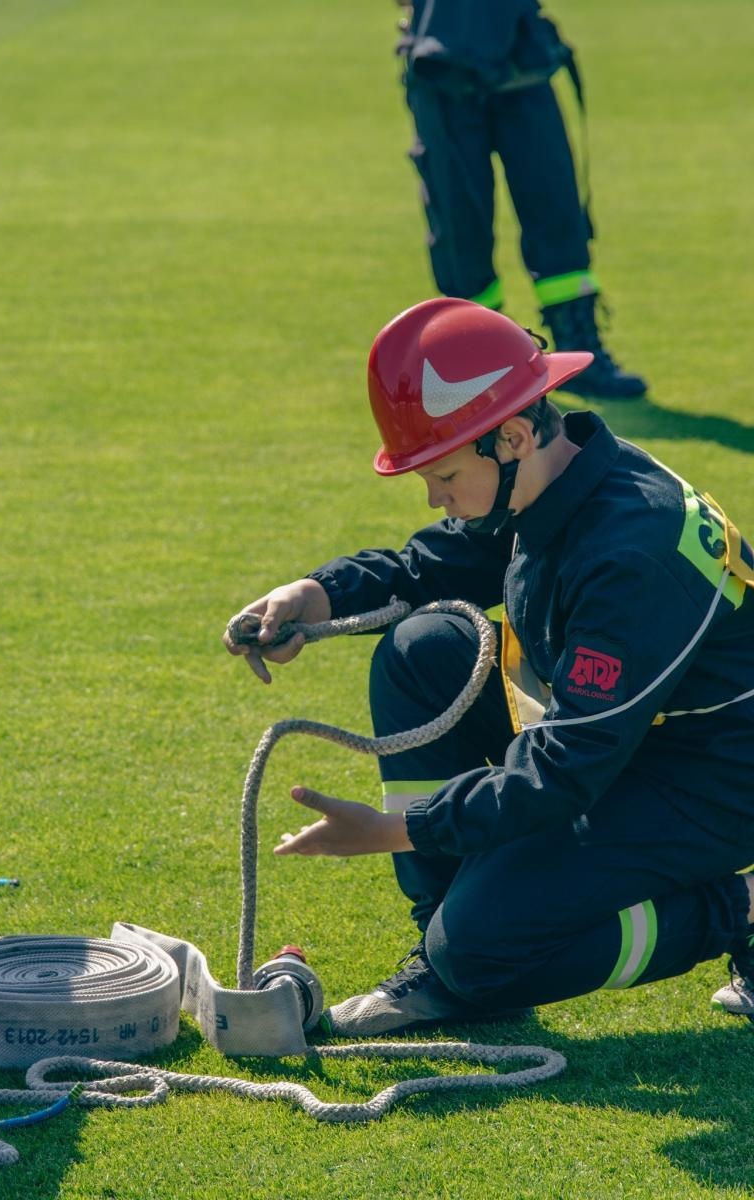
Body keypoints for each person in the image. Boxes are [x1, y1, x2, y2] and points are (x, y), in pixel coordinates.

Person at [224, 298, 754, 1037]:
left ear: (509, 437)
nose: (436, 497)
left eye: (441, 474)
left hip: (713, 781)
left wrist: (390, 830)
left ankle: (740, 909)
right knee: (421, 650)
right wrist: (318, 595)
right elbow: (433, 565)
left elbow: (565, 772)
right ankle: (443, 949)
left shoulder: (628, 554)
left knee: (479, 950)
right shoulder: (561, 474)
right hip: (634, 741)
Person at [395, 0, 647, 399]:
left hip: (519, 61)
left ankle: (579, 346)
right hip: (442, 64)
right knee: (461, 228)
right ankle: (479, 361)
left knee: (555, 209)